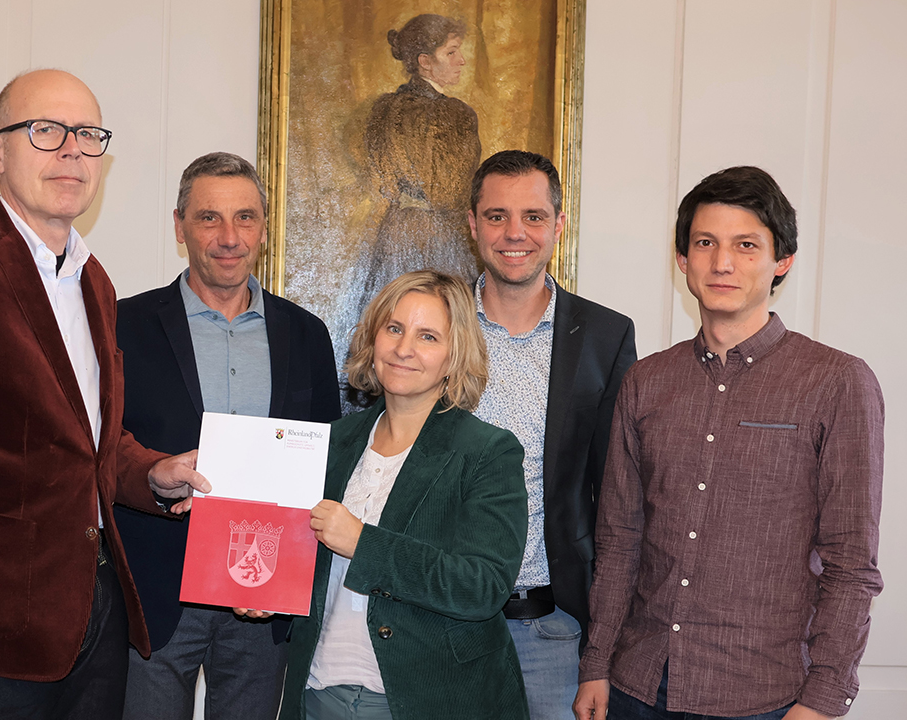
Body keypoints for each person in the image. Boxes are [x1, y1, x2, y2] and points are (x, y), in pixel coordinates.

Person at [0, 69, 210, 720]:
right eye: (46, 131)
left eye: (87, 135)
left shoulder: (96, 283)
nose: (72, 150)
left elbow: (88, 443)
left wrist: (152, 474)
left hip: (99, 612)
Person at [573, 166, 884, 720]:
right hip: (635, 686)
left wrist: (823, 701)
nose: (722, 262)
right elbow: (620, 538)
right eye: (705, 243)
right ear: (682, 260)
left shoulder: (835, 381)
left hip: (762, 696)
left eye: (746, 245)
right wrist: (596, 662)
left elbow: (851, 564)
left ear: (780, 262)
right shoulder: (646, 381)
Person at [114, 151, 342, 720]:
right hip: (157, 593)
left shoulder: (307, 335)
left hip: (263, 599)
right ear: (179, 225)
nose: (228, 237)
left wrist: (287, 579)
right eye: (209, 218)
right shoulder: (123, 325)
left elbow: (326, 460)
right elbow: (98, 444)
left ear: (264, 228)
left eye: (245, 218)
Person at [270, 270, 529, 720]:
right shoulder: (331, 441)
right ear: (374, 340)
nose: (404, 348)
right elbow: (301, 559)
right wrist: (266, 592)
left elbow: (482, 586)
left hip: (427, 700)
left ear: (453, 355)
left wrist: (362, 543)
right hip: (319, 693)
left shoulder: (488, 452)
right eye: (394, 329)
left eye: (427, 336)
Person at [467, 150, 636, 720]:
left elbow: (618, 503)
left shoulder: (607, 337)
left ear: (559, 225)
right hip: (440, 628)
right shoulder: (431, 327)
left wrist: (603, 649)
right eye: (496, 216)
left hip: (555, 635)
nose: (515, 233)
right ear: (472, 224)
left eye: (534, 217)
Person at [356, 14, 483, 314]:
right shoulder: (457, 115)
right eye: (451, 52)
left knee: (394, 315)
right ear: (425, 61)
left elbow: (382, 179)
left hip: (397, 229)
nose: (461, 61)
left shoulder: (383, 108)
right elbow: (456, 189)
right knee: (447, 321)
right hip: (441, 234)